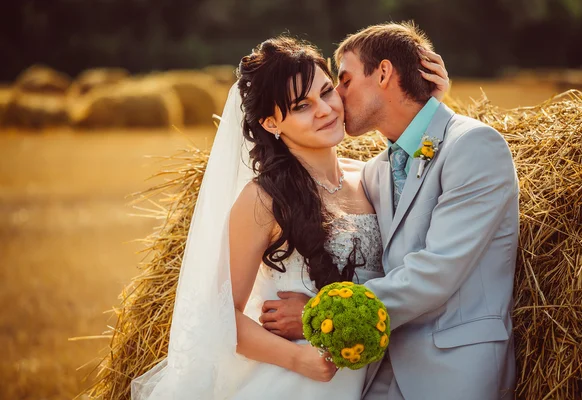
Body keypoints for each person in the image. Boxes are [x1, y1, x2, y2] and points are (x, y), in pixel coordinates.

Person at [130, 32, 449, 400]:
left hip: (370, 384)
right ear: (270, 123)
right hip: (291, 384)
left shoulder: (371, 177)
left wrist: (428, 108)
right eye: (301, 106)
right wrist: (300, 361)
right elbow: (219, 317)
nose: (325, 110)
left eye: (327, 91)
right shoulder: (263, 199)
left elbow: (422, 174)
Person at [262, 22, 519, 400]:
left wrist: (322, 316)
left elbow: (437, 271)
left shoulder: (474, 146)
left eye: (343, 82)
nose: (336, 100)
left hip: (454, 372)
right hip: (379, 371)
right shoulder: (376, 170)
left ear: (383, 73)